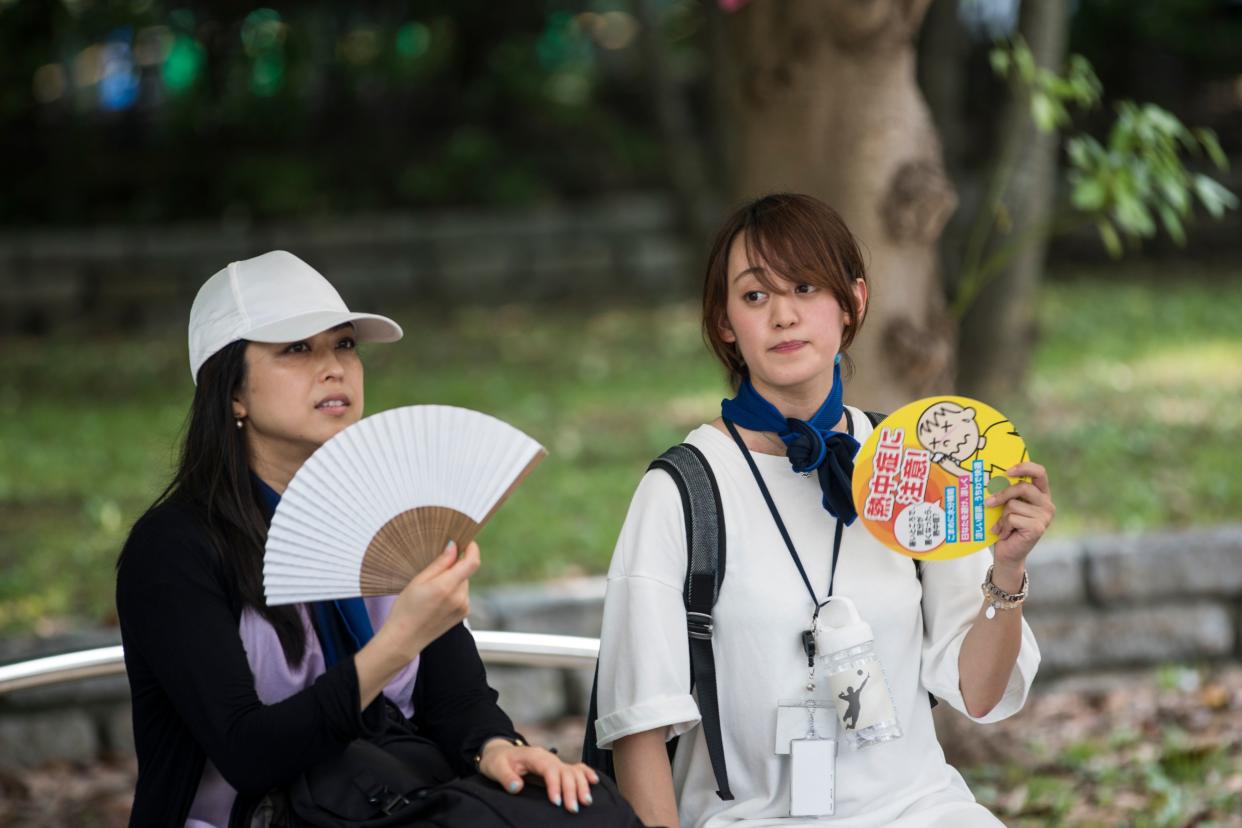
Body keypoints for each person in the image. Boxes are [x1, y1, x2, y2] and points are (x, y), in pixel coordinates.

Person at [116, 251, 636, 827]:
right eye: (296, 349)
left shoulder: (393, 520)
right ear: (232, 392)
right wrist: (398, 641)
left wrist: (501, 750)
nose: (334, 367)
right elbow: (248, 752)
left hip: (389, 799)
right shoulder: (173, 550)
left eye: (343, 345)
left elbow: (457, 701)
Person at [593, 194, 1054, 828]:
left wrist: (1006, 571)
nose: (783, 315)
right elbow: (638, 726)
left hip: (917, 810)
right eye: (755, 296)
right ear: (725, 323)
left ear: (852, 303)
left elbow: (977, 692)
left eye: (805, 287)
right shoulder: (683, 488)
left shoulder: (911, 463)